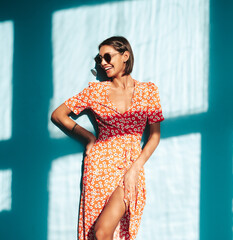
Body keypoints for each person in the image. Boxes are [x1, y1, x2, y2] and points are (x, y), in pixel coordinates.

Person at [51, 36, 164, 240]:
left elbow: (154, 136)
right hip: (99, 166)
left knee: (104, 230)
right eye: (99, 58)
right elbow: (58, 115)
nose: (103, 62)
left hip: (131, 164)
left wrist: (134, 170)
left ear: (125, 56)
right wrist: (88, 138)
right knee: (98, 234)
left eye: (107, 56)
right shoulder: (95, 91)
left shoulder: (149, 91)